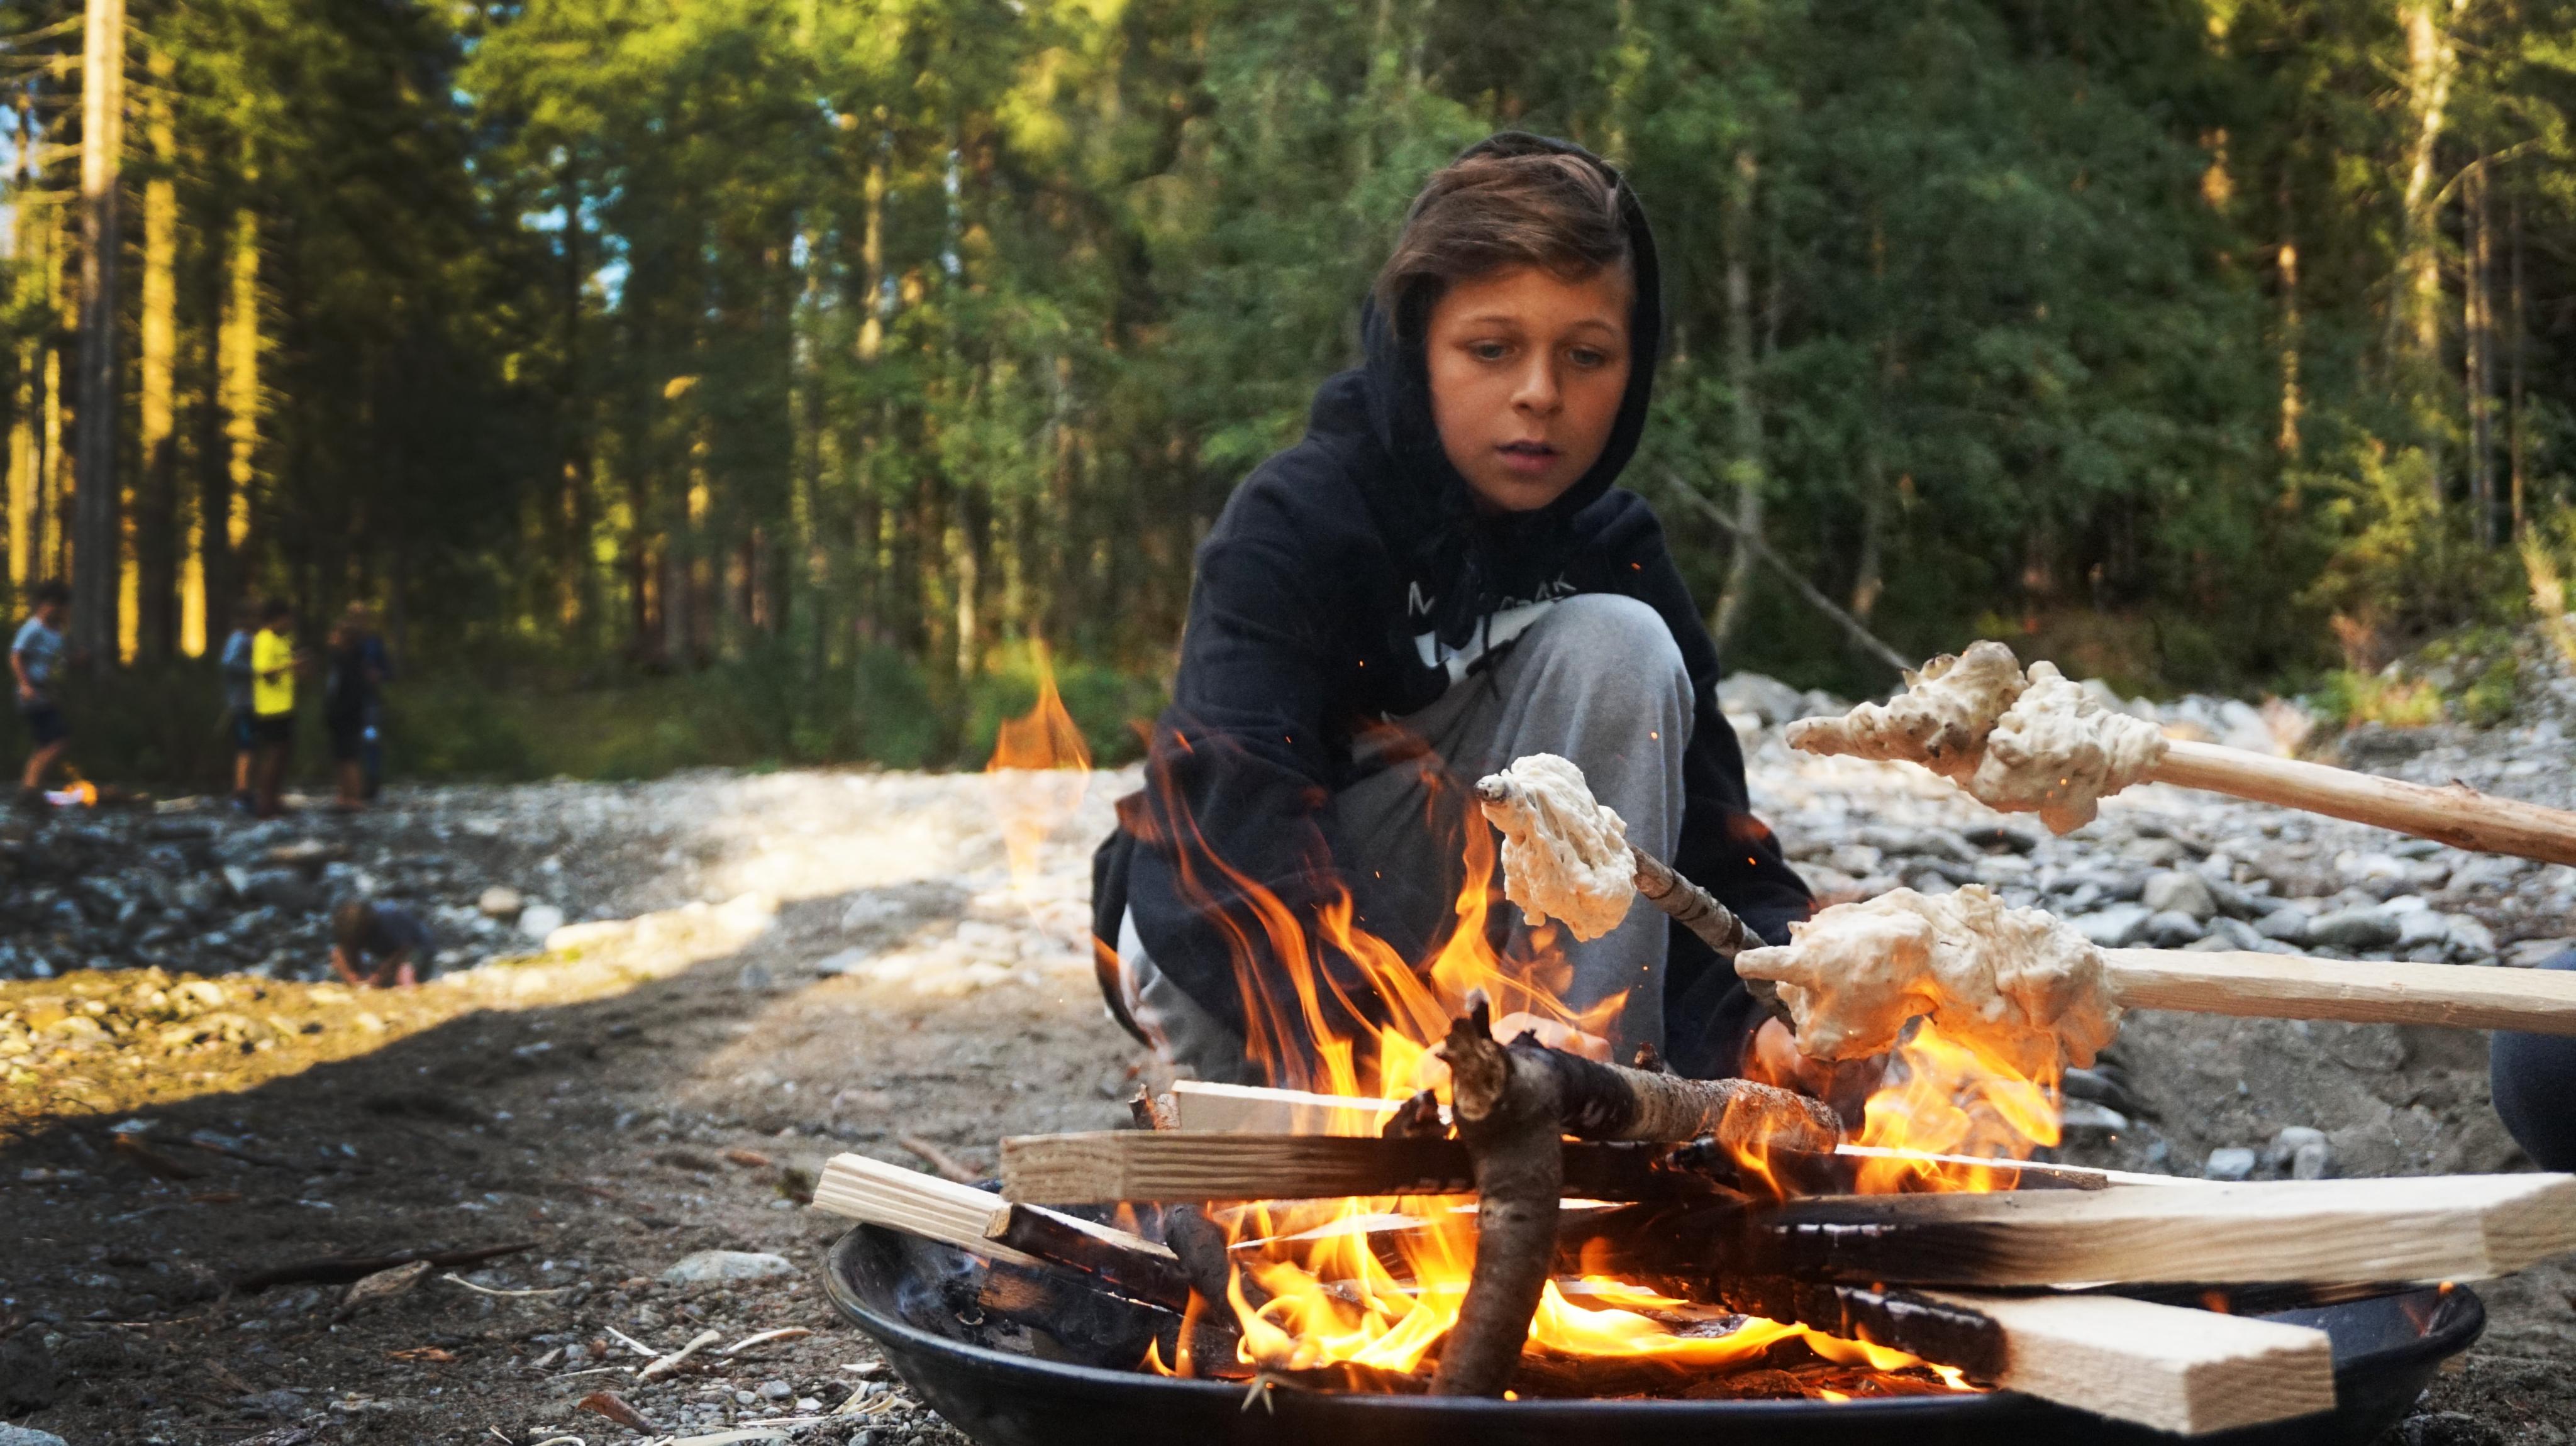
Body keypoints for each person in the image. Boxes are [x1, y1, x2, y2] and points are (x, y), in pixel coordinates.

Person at [1089, 135, 1811, 1090]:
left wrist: (1772, 1013)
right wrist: (1393, 1048)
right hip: (1243, 965)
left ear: (1632, 370)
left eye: (1586, 356)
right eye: (1491, 349)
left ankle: (1583, 1097)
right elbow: (1234, 825)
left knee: (1620, 644)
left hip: (1477, 1002)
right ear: (1416, 349)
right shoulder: (1299, 521)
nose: (1540, 394)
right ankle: (1436, 1094)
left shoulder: (1618, 549)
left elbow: (1711, 852)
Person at [12, 580, 70, 805]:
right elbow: (16, 656)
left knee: (44, 742)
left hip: (46, 692)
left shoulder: (56, 632)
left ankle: (29, 789)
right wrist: (25, 685)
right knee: (58, 739)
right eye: (50, 604)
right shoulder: (33, 628)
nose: (53, 609)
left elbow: (55, 662)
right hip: (33, 693)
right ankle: (31, 788)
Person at [322, 609, 381, 810]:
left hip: (348, 716)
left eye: (336, 634)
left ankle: (354, 798)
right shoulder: (337, 660)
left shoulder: (351, 662)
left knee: (350, 758)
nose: (331, 637)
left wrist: (342, 713)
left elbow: (353, 692)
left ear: (345, 640)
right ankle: (343, 795)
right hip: (338, 716)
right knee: (340, 757)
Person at [249, 600, 301, 818]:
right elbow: (263, 671)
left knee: (283, 755)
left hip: (285, 705)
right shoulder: (264, 639)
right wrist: (290, 666)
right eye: (287, 618)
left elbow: (284, 671)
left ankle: (275, 799)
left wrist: (299, 669)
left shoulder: (284, 640)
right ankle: (265, 803)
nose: (290, 623)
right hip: (269, 708)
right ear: (277, 618)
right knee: (273, 755)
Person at [330, 899, 433, 989]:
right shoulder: (347, 928)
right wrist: (354, 975)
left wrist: (379, 976)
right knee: (338, 955)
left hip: (416, 946)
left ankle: (410, 994)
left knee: (404, 974)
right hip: (384, 950)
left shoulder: (388, 922)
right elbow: (343, 950)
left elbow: (403, 950)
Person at [219, 600, 260, 809]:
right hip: (241, 703)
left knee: (251, 746)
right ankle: (241, 790)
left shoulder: (249, 638)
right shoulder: (239, 639)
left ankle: (247, 788)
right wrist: (256, 669)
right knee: (246, 746)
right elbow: (229, 663)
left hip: (252, 702)